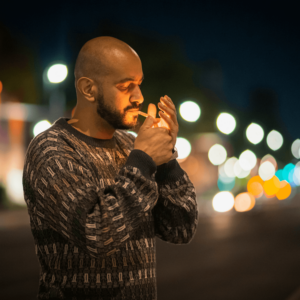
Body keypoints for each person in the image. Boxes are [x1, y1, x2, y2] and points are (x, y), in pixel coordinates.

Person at [22, 36, 198, 300]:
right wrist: (144, 160)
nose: (138, 97)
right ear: (89, 89)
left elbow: (181, 229)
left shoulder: (131, 147)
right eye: (125, 86)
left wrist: (167, 157)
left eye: (138, 84)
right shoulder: (52, 149)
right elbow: (98, 233)